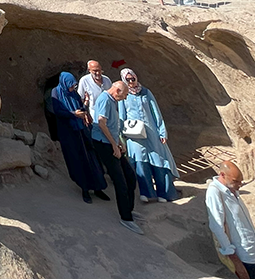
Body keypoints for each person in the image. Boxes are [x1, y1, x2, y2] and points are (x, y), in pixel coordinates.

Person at [207, 161, 255, 279]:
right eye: (235, 181)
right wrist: (232, 255)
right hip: (245, 256)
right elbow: (216, 225)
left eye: (240, 181)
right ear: (222, 175)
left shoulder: (233, 191)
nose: (240, 185)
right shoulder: (214, 191)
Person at [117, 68, 179, 203]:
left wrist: (162, 131)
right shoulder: (124, 95)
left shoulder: (146, 92)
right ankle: (147, 193)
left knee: (159, 160)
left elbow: (156, 112)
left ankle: (165, 193)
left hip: (151, 132)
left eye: (133, 78)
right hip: (135, 135)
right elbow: (122, 116)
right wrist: (122, 136)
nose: (131, 82)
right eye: (128, 80)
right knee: (140, 161)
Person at [50, 72, 109, 204]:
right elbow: (57, 110)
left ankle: (98, 187)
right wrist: (73, 114)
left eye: (74, 86)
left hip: (82, 129)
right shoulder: (56, 93)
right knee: (78, 159)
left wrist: (84, 109)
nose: (73, 88)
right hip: (69, 133)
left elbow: (80, 105)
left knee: (92, 157)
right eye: (71, 86)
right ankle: (85, 189)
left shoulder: (74, 94)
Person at [90, 81, 141, 234]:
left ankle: (129, 210)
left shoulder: (112, 100)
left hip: (111, 142)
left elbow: (113, 125)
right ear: (117, 90)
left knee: (130, 177)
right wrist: (113, 145)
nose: (124, 98)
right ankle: (125, 218)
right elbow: (101, 123)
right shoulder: (105, 100)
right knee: (120, 181)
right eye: (124, 95)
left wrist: (119, 142)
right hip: (104, 144)